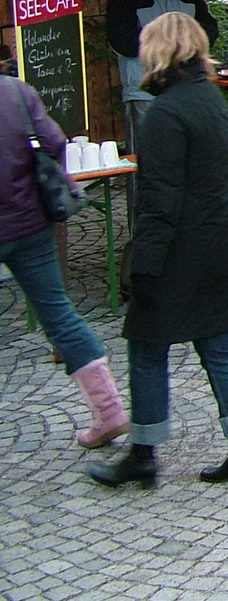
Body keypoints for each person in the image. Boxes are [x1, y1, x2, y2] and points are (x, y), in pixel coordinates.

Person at [90, 13, 228, 489]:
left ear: (159, 51)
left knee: (148, 347)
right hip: (220, 240)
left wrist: (143, 266)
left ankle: (144, 456)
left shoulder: (165, 113)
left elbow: (158, 199)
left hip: (179, 251)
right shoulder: (211, 97)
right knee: (218, 347)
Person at [1, 66, 129, 451]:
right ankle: (109, 412)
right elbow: (55, 144)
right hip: (30, 223)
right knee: (58, 312)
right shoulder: (16, 92)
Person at [106, 0, 218, 151]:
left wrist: (193, 49)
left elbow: (208, 27)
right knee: (146, 158)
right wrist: (168, 47)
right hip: (145, 91)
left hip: (187, 87)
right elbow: (121, 40)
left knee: (187, 153)